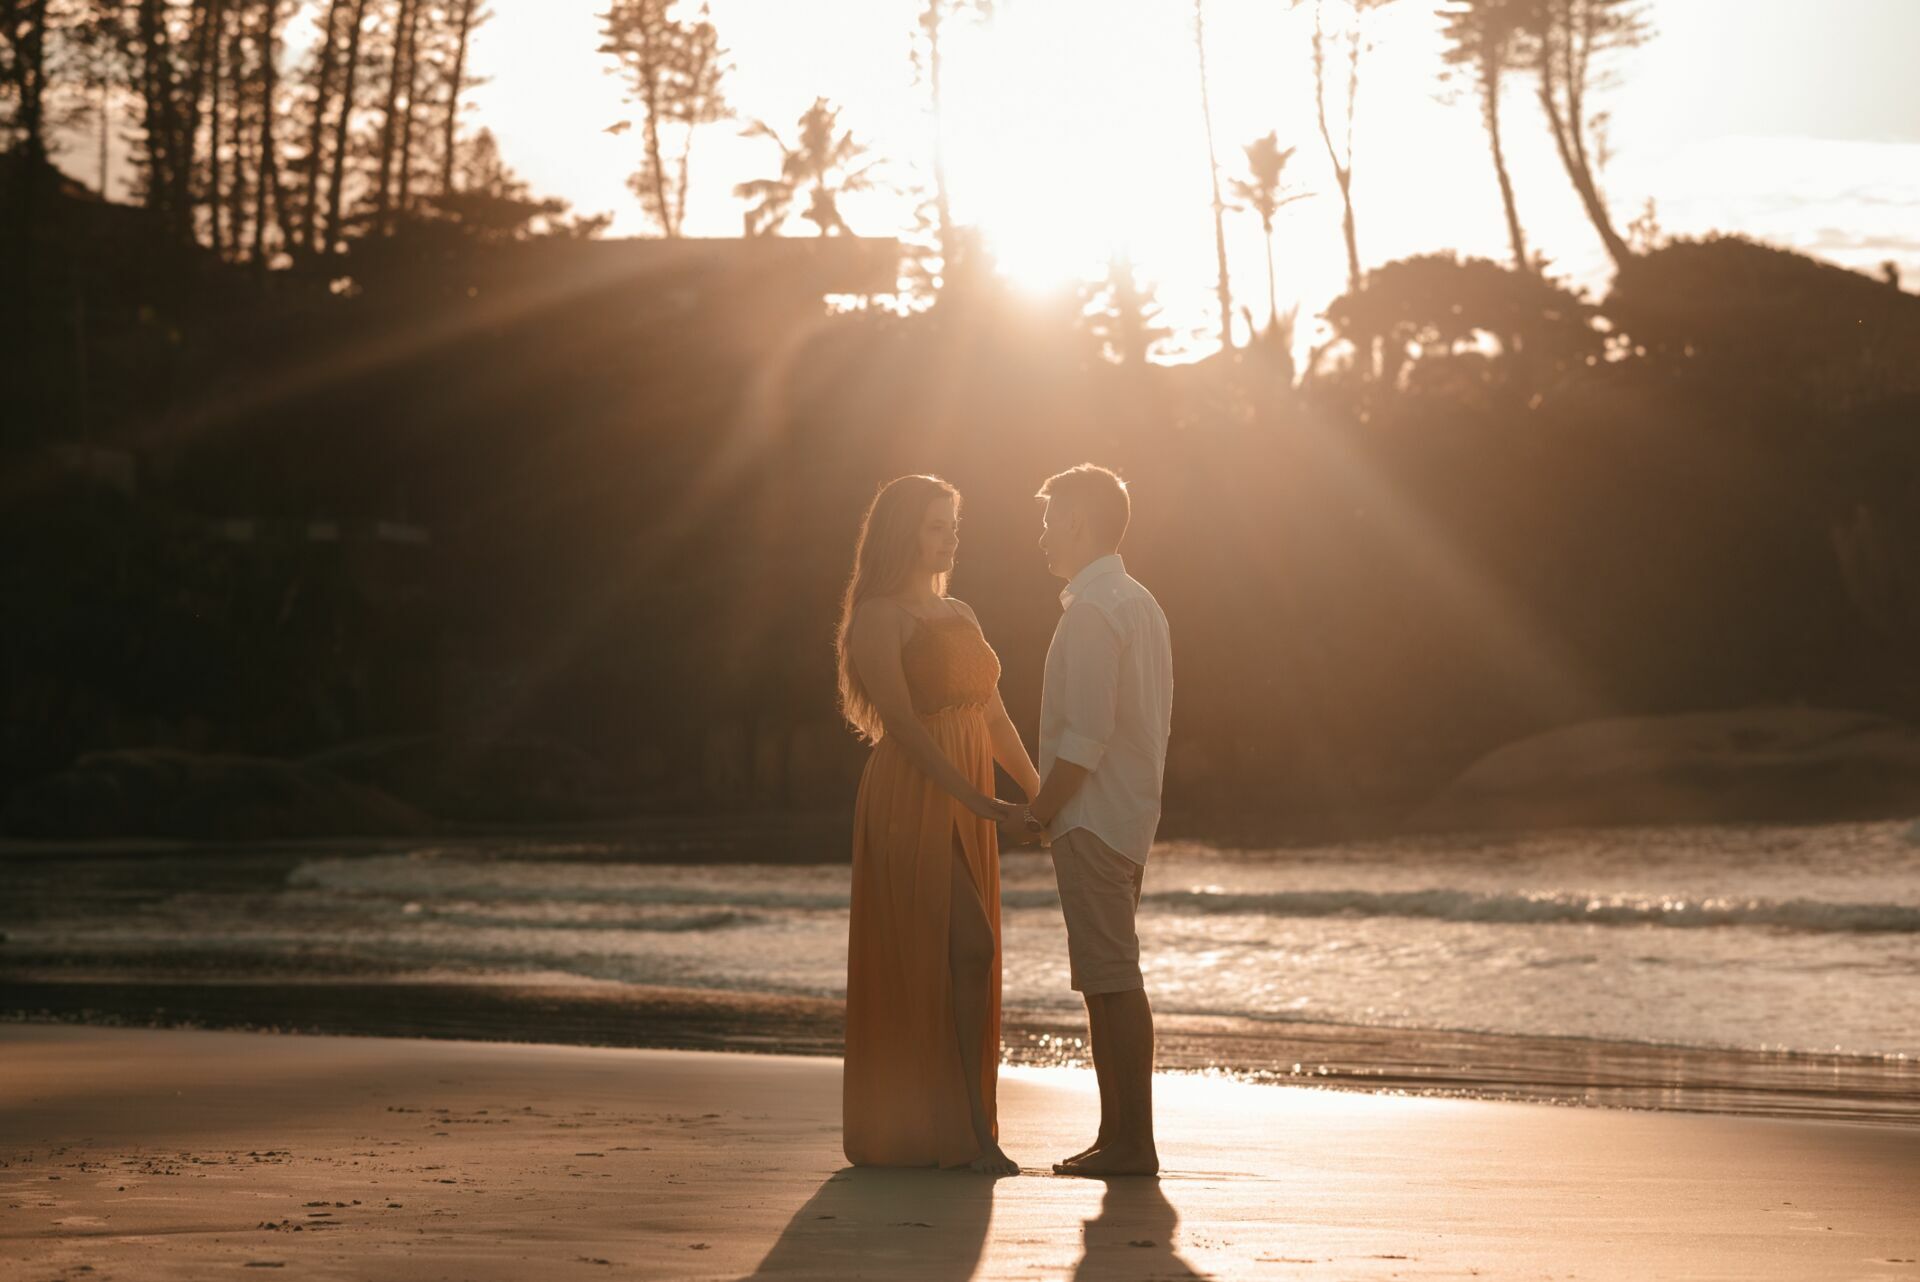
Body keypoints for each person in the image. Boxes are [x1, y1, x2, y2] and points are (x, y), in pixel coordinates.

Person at [836, 474, 1040, 1177]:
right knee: (965, 946)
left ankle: (963, 1128)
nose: (950, 535)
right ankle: (963, 1134)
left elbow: (993, 716)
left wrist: (1039, 794)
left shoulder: (961, 610)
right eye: (933, 524)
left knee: (961, 955)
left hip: (965, 788)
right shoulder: (877, 616)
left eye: (952, 522)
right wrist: (977, 800)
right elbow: (904, 730)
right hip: (911, 795)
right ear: (901, 534)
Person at [1006, 464, 1173, 1178]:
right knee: (1104, 980)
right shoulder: (1137, 602)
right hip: (1124, 815)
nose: (1042, 534)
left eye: (1049, 519)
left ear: (1077, 519)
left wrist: (1039, 811)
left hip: (1096, 818)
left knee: (1112, 977)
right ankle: (1117, 1138)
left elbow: (1087, 737)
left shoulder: (1097, 610)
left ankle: (1133, 1144)